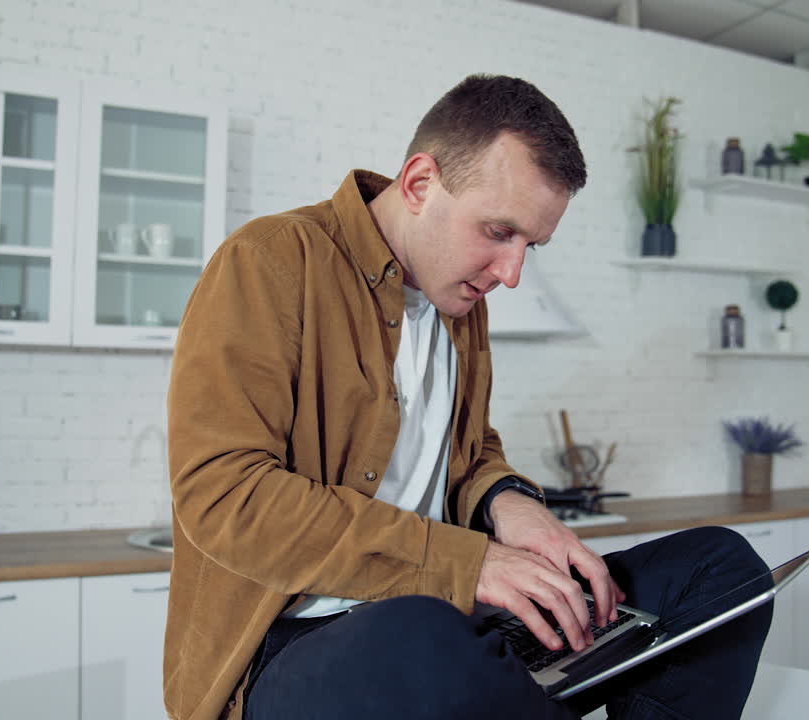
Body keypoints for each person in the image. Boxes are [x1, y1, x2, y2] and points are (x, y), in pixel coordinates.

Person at [165, 74, 772, 720]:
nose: (511, 274)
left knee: (724, 571)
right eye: (499, 232)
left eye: (529, 247)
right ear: (422, 183)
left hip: (444, 616)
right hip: (299, 645)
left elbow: (468, 452)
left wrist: (509, 502)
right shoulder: (270, 261)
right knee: (424, 640)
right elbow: (224, 495)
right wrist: (467, 562)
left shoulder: (458, 299)